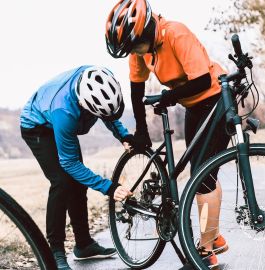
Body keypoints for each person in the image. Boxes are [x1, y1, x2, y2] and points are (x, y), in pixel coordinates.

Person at [105, 0, 230, 268]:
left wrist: (169, 96)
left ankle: (206, 251)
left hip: (214, 100)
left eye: (135, 45)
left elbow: (202, 81)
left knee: (203, 176)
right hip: (191, 106)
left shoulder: (176, 32)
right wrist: (141, 131)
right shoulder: (139, 51)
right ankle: (214, 237)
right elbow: (136, 91)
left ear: (147, 30)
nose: (135, 53)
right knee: (202, 172)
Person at [20, 66, 136, 270]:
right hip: (38, 126)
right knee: (62, 182)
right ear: (83, 103)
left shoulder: (100, 80)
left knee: (79, 183)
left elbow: (108, 113)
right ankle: (54, 253)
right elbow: (69, 163)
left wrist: (123, 136)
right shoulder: (63, 111)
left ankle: (84, 245)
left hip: (59, 117)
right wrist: (108, 188)